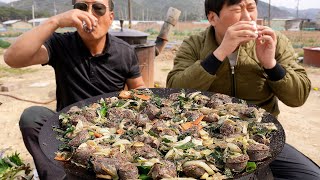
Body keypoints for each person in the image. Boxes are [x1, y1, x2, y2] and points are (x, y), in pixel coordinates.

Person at [167, 0, 319, 179]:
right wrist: (219, 53)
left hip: (263, 139)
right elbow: (174, 91)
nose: (248, 17)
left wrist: (271, 64)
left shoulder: (274, 41)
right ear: (212, 17)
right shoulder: (195, 44)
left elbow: (298, 97)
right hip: (205, 137)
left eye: (251, 8)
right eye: (238, 9)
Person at [4, 0, 145, 179]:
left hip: (111, 133)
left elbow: (139, 88)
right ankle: (59, 176)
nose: (89, 14)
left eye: (98, 8)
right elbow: (12, 59)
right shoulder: (61, 44)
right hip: (68, 129)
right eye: (81, 7)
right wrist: (54, 22)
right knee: (32, 117)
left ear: (110, 17)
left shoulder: (124, 52)